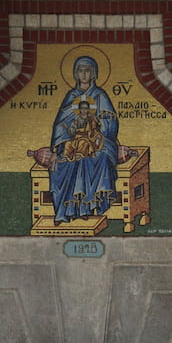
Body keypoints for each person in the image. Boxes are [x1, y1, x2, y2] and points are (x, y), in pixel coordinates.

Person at [49, 55, 119, 224]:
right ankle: (66, 211)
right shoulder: (71, 96)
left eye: (87, 71)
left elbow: (111, 122)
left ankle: (87, 207)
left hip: (97, 141)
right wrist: (57, 147)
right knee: (62, 164)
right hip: (74, 141)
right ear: (75, 74)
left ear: (93, 74)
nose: (84, 74)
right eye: (81, 71)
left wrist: (101, 123)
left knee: (98, 158)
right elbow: (61, 124)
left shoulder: (100, 95)